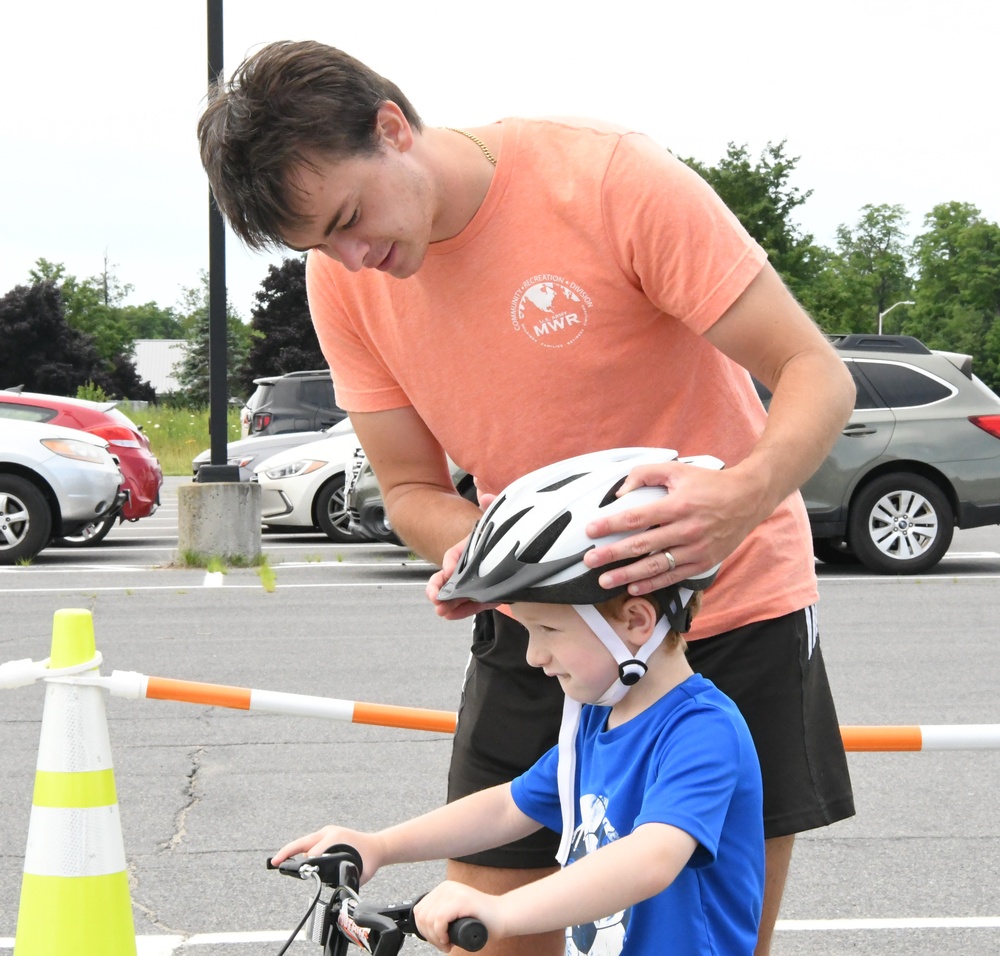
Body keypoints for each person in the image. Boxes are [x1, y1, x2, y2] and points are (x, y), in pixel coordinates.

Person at [198, 39, 856, 956]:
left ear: (392, 127)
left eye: (350, 217)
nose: (354, 257)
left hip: (727, 602)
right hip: (545, 623)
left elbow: (815, 371)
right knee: (485, 932)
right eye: (322, 244)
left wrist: (740, 498)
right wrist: (484, 556)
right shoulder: (343, 282)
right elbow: (411, 487)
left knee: (702, 930)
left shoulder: (608, 178)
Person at [271, 449, 766, 955]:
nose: (534, 655)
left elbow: (651, 858)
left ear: (636, 621)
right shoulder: (595, 723)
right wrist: (379, 845)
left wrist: (503, 911)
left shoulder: (701, 731)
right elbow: (508, 808)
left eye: (548, 629)